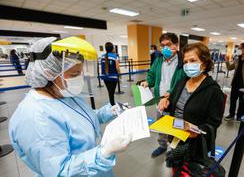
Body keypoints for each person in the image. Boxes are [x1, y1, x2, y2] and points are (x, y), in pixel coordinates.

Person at [9, 37, 131, 176]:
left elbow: (81, 119)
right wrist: (104, 152)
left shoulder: (63, 93)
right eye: (74, 74)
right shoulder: (36, 118)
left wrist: (110, 111)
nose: (80, 79)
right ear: (49, 73)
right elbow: (60, 171)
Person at [157, 42, 224, 173]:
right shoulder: (182, 82)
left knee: (189, 172)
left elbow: (214, 122)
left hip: (194, 145)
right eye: (186, 61)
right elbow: (173, 104)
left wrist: (198, 131)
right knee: (176, 168)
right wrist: (165, 102)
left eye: (192, 60)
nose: (188, 65)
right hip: (175, 135)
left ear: (204, 63)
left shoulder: (213, 91)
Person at [140, 32, 186, 158]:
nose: (165, 48)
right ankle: (162, 145)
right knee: (161, 124)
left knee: (176, 125)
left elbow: (183, 81)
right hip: (160, 100)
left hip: (176, 101)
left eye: (169, 44)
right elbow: (152, 75)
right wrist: (147, 82)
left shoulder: (183, 62)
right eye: (162, 45)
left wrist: (170, 93)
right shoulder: (158, 60)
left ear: (176, 45)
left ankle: (175, 147)